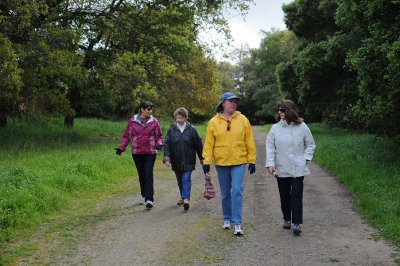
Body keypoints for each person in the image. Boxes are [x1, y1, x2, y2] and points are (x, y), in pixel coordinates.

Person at [202, 92, 256, 235]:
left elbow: (249, 140)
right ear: (223, 104)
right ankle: (227, 219)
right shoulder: (213, 122)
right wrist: (206, 161)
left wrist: (252, 160)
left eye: (235, 101)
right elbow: (208, 143)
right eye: (230, 101)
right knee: (225, 193)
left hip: (239, 161)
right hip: (221, 162)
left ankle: (237, 223)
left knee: (237, 190)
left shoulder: (243, 119)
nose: (234, 103)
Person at [265, 99, 316, 235]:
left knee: (297, 195)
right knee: (284, 195)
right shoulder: (275, 129)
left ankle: (297, 223)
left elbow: (310, 144)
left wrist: (305, 159)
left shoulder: (302, 127)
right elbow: (270, 147)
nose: (280, 112)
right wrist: (270, 164)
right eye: (279, 110)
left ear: (290, 111)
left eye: (283, 110)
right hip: (281, 168)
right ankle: (287, 218)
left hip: (298, 168)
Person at [115, 101, 163, 209]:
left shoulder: (154, 122)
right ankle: (143, 195)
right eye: (148, 109)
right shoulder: (133, 121)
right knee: (142, 175)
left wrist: (159, 144)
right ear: (142, 109)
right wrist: (121, 148)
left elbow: (159, 136)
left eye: (151, 109)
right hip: (137, 152)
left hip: (150, 152)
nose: (150, 111)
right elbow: (127, 136)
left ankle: (149, 199)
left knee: (148, 174)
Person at [163, 107, 203, 211]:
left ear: (186, 118)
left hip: (189, 159)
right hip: (176, 160)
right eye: (177, 118)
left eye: (181, 118)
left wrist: (202, 158)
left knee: (186, 178)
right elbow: (167, 144)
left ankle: (186, 199)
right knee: (180, 180)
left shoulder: (192, 130)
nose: (179, 120)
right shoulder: (171, 130)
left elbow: (198, 144)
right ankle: (183, 196)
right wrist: (167, 158)